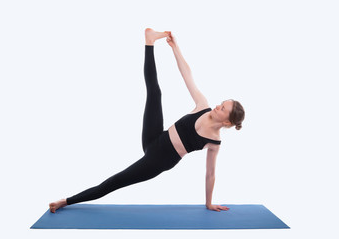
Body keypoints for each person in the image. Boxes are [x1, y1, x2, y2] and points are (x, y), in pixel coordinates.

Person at [49, 28, 245, 213]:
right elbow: (187, 74)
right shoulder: (203, 105)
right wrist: (175, 47)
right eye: (221, 103)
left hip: (157, 161)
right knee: (155, 92)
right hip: (154, 138)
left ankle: (65, 201)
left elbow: (210, 174)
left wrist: (209, 203)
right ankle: (149, 41)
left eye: (222, 109)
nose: (218, 106)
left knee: (113, 182)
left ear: (227, 122)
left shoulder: (214, 142)